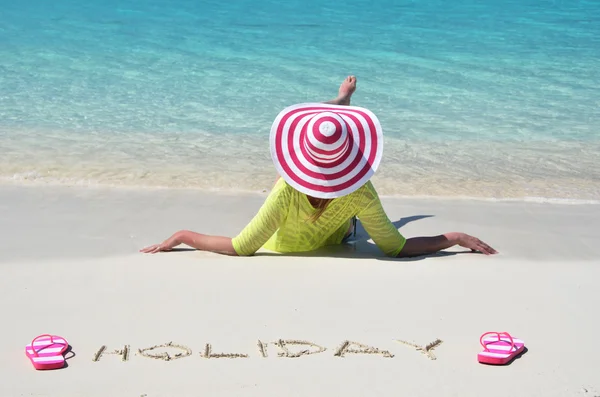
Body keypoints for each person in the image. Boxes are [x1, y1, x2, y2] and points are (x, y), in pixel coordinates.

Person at [141, 76, 497, 258]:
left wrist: (184, 236)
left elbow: (241, 248)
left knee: (315, 151)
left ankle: (337, 104)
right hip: (345, 222)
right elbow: (397, 248)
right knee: (364, 224)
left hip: (306, 217)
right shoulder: (361, 190)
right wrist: (454, 238)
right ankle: (340, 105)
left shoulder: (285, 190)